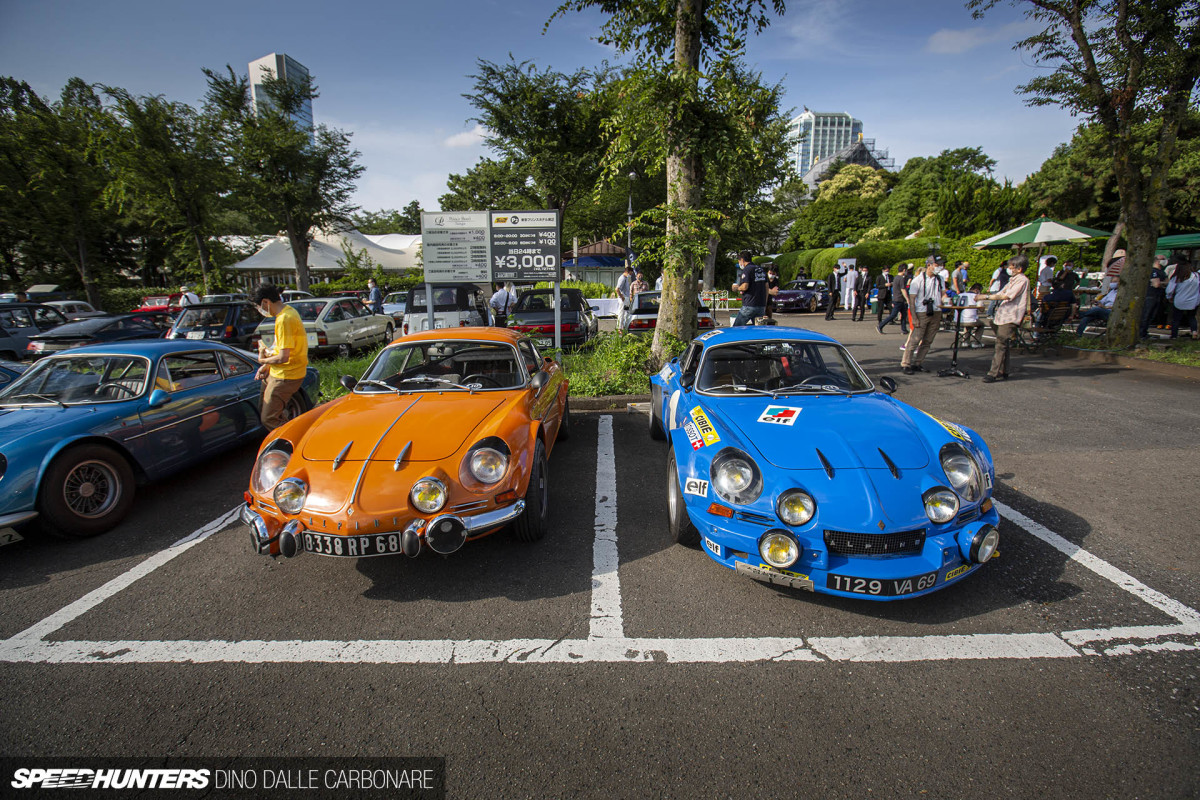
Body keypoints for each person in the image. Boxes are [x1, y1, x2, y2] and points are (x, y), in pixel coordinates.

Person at [252, 283, 309, 429]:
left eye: (259, 306)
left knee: (269, 419)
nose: (260, 310)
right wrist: (267, 365)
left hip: (286, 375)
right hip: (279, 372)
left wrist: (262, 359)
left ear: (266, 302)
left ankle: (292, 443)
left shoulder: (285, 319)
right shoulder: (287, 313)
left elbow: (284, 356)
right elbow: (282, 349)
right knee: (267, 412)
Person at [977, 255, 1031, 383]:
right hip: (1003, 315)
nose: (1009, 269)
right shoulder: (1013, 280)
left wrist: (985, 297)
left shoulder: (1022, 280)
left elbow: (1007, 296)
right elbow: (1001, 292)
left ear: (1019, 268)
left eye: (1012, 267)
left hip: (1011, 316)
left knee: (1000, 344)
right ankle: (1004, 370)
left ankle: (993, 373)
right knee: (1003, 344)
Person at [900, 256, 950, 375]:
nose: (940, 267)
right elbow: (912, 300)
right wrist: (914, 317)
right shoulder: (918, 280)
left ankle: (918, 363)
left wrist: (946, 301)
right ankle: (905, 363)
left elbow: (943, 294)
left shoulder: (940, 279)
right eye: (937, 265)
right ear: (929, 265)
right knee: (915, 339)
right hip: (922, 311)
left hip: (936, 311)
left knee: (928, 340)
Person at [1164, 258, 1199, 339]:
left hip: (1180, 300)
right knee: (1192, 317)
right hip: (1193, 300)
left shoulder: (1177, 278)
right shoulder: (1197, 276)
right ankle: (1194, 332)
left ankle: (1174, 335)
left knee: (1176, 319)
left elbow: (1169, 290)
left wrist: (1169, 297)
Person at [731, 250, 767, 326]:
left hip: (749, 304)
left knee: (737, 327)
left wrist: (737, 288)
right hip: (761, 305)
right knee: (758, 328)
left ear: (742, 260)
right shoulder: (760, 269)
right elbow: (766, 286)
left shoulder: (747, 269)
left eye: (739, 261)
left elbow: (745, 286)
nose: (739, 263)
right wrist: (765, 302)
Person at [1139, 255, 1169, 338]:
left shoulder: (1162, 272)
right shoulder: (1152, 271)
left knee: (1151, 316)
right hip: (1150, 295)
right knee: (1146, 315)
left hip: (1158, 296)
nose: (1165, 261)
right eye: (1163, 259)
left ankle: (1145, 332)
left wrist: (1161, 283)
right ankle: (1141, 333)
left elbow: (1167, 283)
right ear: (1157, 261)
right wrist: (1162, 283)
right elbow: (1157, 284)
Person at [878, 265, 910, 335]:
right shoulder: (901, 278)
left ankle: (904, 329)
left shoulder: (895, 278)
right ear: (904, 270)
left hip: (897, 298)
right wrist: (907, 298)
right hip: (899, 299)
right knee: (893, 315)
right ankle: (880, 326)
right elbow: (903, 289)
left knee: (904, 315)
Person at [957, 282, 984, 348]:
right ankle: (976, 342)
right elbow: (981, 309)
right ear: (977, 290)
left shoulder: (960, 295)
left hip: (958, 320)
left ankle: (965, 341)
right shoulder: (976, 296)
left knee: (967, 324)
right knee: (981, 325)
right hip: (971, 320)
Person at [615, 265, 633, 329]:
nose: (630, 275)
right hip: (623, 298)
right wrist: (621, 296)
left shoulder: (625, 278)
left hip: (626, 297)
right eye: (630, 273)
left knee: (625, 313)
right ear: (627, 272)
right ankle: (619, 328)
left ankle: (623, 327)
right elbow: (617, 289)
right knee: (621, 313)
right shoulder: (622, 278)